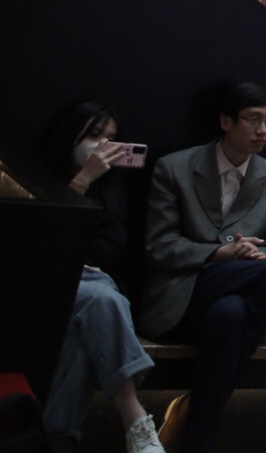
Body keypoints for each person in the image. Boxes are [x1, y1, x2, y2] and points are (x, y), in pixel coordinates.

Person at [139, 84, 266, 453]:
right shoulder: (175, 168)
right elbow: (159, 245)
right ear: (226, 121)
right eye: (253, 120)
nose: (263, 131)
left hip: (233, 297)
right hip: (182, 294)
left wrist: (255, 254)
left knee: (230, 313)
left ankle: (197, 436)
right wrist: (219, 253)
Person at [36, 101, 165, 452]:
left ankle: (52, 441)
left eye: (110, 138)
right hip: (48, 286)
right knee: (102, 298)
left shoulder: (113, 189)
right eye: (94, 135)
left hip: (93, 286)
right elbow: (42, 245)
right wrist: (81, 182)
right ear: (71, 136)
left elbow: (111, 252)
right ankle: (134, 417)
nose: (103, 145)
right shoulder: (39, 177)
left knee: (85, 335)